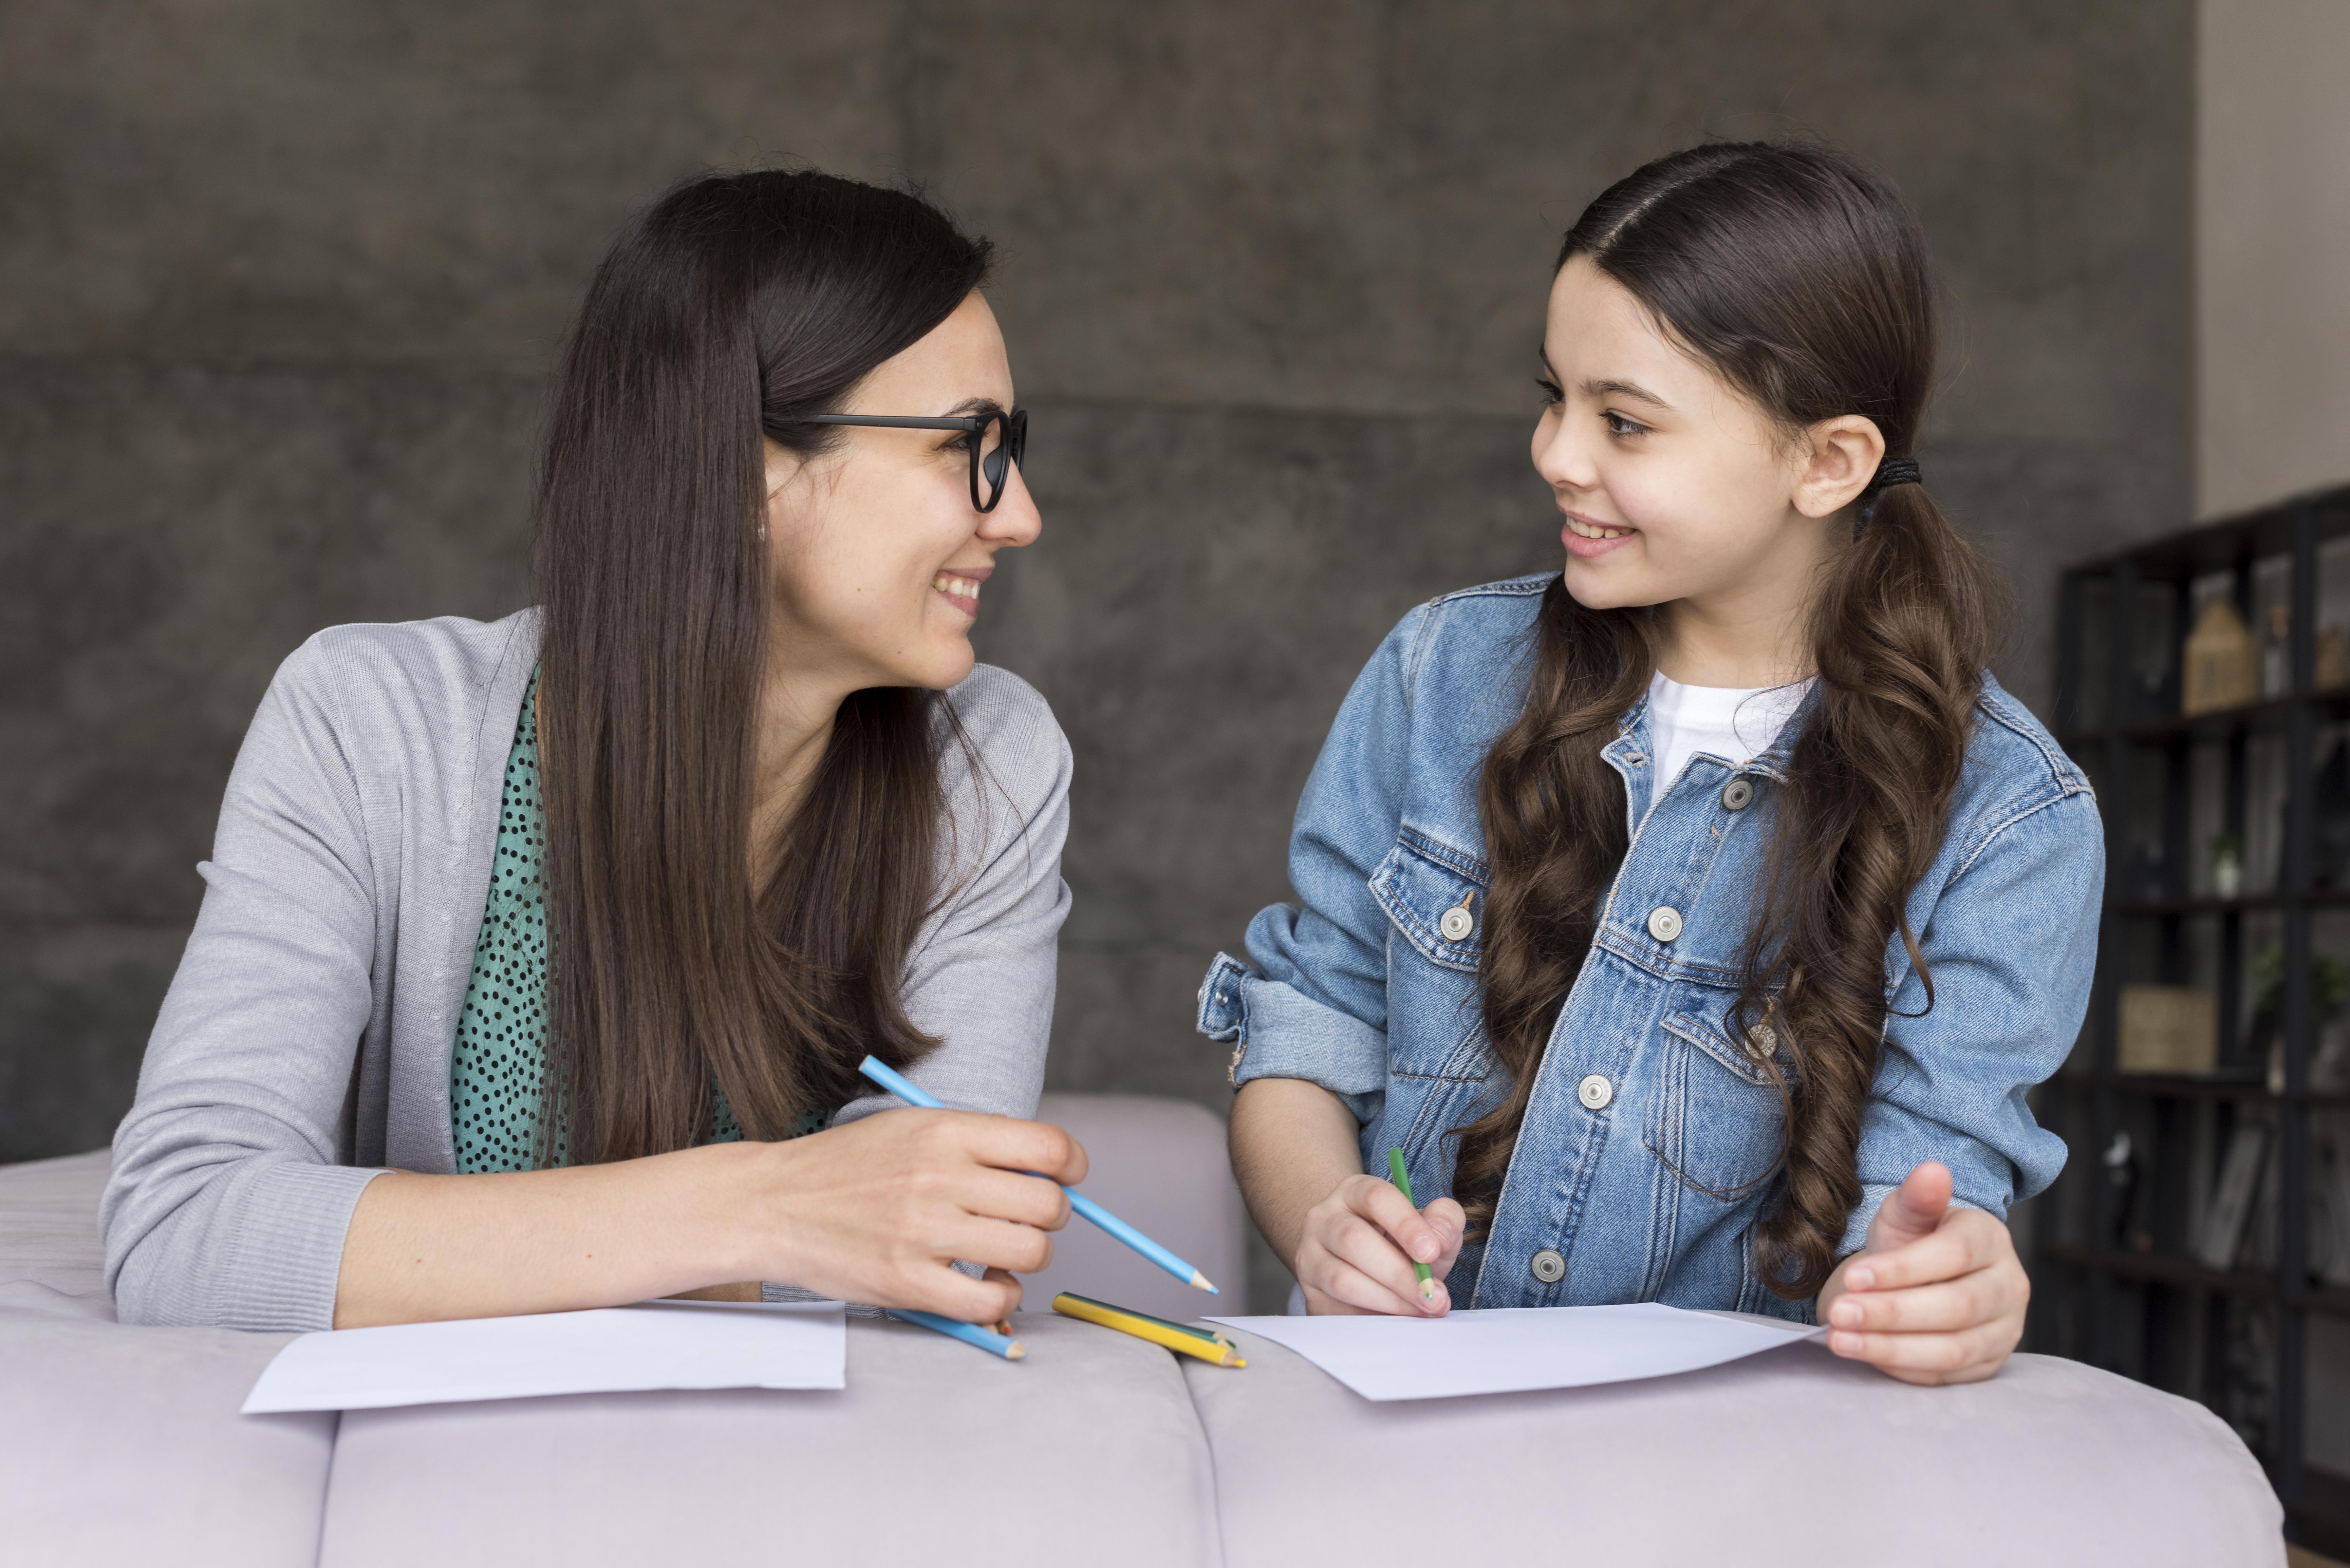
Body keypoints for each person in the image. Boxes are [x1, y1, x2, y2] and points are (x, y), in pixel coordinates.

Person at [103, 170, 1082, 1331]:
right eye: (967, 445)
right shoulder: (370, 723)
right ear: (745, 465)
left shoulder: (991, 762)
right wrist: (771, 1212)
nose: (1018, 514)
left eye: (1009, 447)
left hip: (801, 1449)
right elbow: (185, 1231)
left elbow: (928, 1255)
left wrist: (447, 1253)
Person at [1203, 141, 2101, 1385]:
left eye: (1622, 421)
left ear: (1827, 462)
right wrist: (1323, 1217)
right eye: (1555, 397)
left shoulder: (2011, 818)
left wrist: (1938, 1286)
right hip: (1387, 1447)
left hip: (1731, 1473)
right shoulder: (1441, 672)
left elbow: (1931, 1195)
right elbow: (1304, 1033)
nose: (1556, 455)